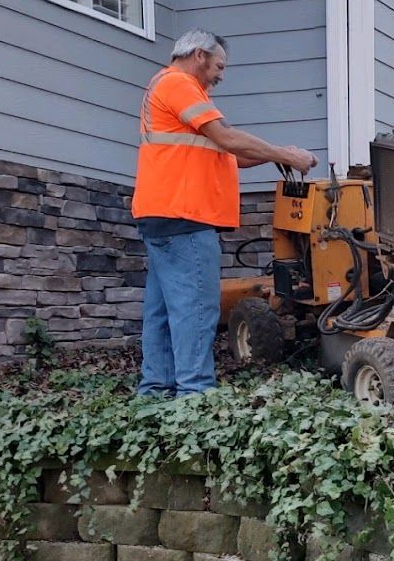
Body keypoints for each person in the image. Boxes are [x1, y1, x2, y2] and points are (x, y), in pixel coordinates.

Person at [131, 29, 316, 397]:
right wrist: (288, 155)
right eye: (218, 66)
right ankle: (194, 398)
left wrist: (276, 152)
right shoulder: (179, 83)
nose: (221, 75)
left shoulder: (171, 90)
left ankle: (155, 393)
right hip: (186, 217)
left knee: (163, 312)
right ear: (199, 54)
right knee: (196, 311)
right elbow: (230, 140)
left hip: (161, 215)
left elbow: (234, 154)